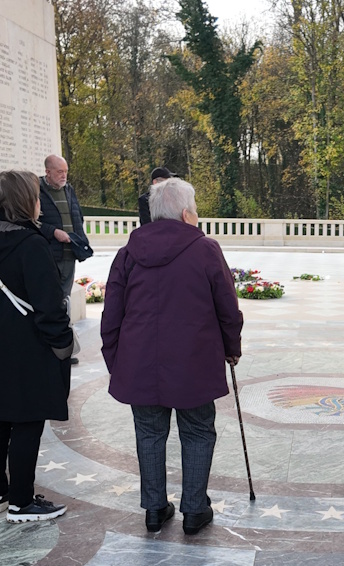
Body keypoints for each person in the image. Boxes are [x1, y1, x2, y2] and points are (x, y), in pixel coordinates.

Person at [101, 178, 242, 535]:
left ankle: (154, 508)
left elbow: (111, 315)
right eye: (194, 208)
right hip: (193, 363)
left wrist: (116, 360)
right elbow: (228, 308)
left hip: (140, 362)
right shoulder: (206, 249)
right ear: (185, 213)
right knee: (197, 432)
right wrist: (231, 348)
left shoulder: (128, 254)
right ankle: (194, 510)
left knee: (148, 433)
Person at [0, 170, 75, 522]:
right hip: (27, 348)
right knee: (28, 421)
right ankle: (22, 502)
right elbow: (49, 304)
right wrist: (63, 345)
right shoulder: (30, 245)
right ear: (23, 201)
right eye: (34, 195)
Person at [37, 155, 88, 364]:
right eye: (59, 171)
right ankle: (51, 347)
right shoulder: (37, 190)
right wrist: (53, 232)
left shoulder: (69, 189)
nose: (64, 175)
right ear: (48, 172)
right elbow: (35, 222)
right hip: (49, 255)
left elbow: (77, 215)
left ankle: (66, 349)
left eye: (65, 171)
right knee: (51, 301)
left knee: (64, 300)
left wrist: (80, 241)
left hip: (70, 254)